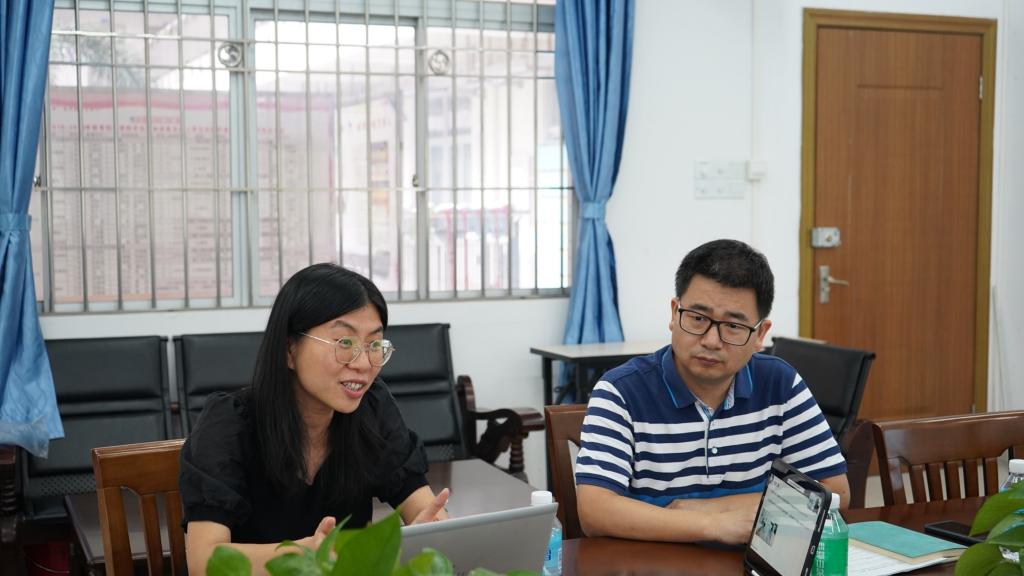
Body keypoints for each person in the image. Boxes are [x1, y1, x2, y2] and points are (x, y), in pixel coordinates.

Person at [574, 239, 850, 545]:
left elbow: (834, 491)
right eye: (697, 318)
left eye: (733, 326)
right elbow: (594, 511)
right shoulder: (621, 391)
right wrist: (713, 525)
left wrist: (710, 508)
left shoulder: (781, 384)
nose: (711, 341)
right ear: (674, 313)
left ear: (760, 334)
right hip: (650, 562)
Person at [180, 263, 449, 574]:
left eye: (374, 345)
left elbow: (425, 511)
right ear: (289, 349)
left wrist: (430, 533)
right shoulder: (229, 423)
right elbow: (204, 561)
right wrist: (305, 552)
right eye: (344, 343)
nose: (364, 364)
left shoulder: (372, 407)